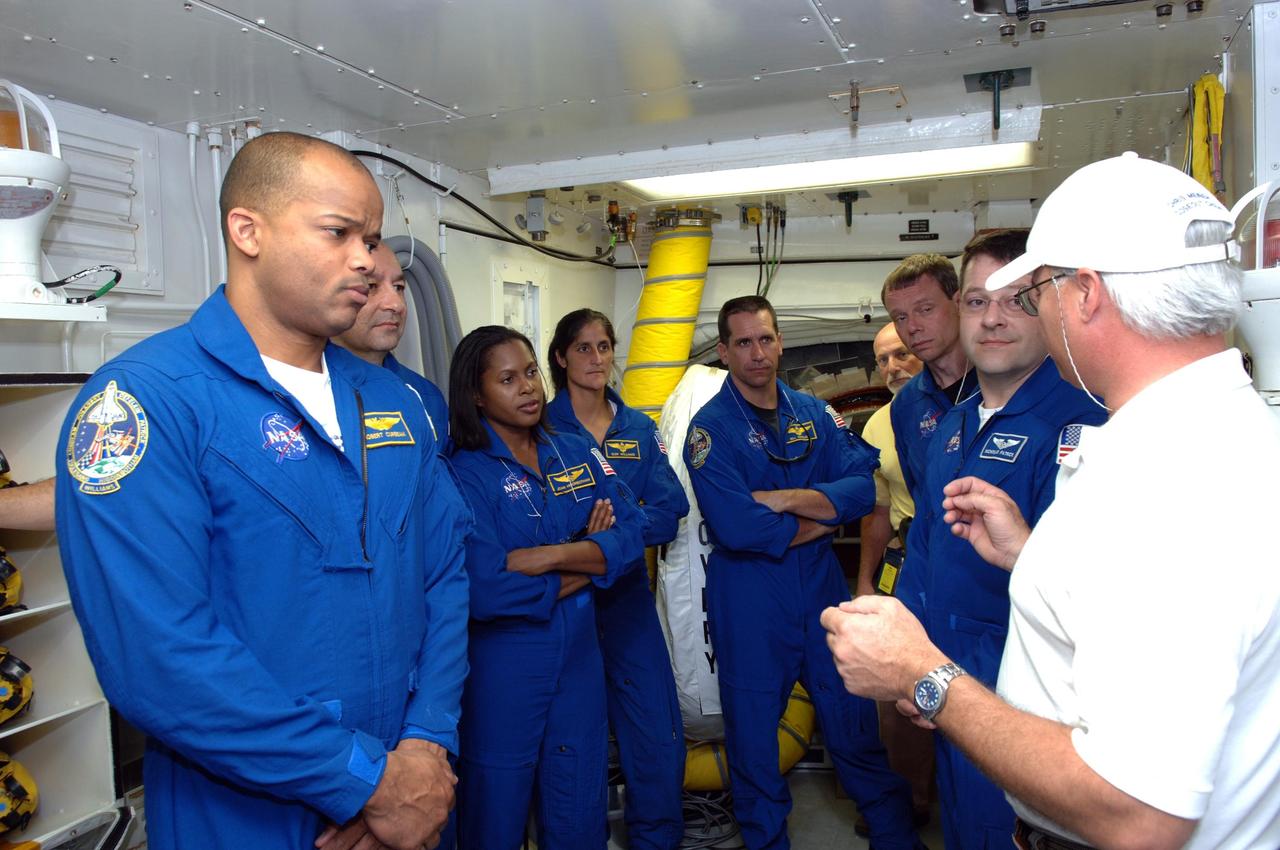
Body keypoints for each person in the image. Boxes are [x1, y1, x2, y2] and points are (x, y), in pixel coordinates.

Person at [822, 153, 1280, 850]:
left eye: (1035, 292)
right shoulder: (1215, 433)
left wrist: (924, 676)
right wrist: (1032, 555)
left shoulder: (1165, 480)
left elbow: (1138, 813)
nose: (1020, 313)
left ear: (1085, 294)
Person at [54, 132, 471, 850]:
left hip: (412, 790)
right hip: (245, 809)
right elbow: (160, 656)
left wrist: (425, 749)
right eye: (339, 233)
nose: (367, 261)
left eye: (371, 240)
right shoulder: (147, 402)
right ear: (247, 231)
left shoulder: (394, 403)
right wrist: (365, 781)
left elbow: (445, 576)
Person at [895, 229, 1107, 850]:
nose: (992, 319)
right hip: (950, 681)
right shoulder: (953, 426)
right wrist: (911, 662)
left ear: (1050, 307)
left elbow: (1096, 592)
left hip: (1028, 701)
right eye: (977, 301)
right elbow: (923, 552)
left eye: (1017, 300)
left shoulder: (1084, 424)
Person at [684, 295, 920, 850]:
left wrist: (787, 499)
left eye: (765, 339)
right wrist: (824, 513)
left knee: (854, 727)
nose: (757, 352)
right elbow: (739, 528)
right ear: (724, 352)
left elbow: (861, 491)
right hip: (750, 601)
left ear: (780, 342)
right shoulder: (710, 430)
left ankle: (896, 838)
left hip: (820, 592)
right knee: (753, 747)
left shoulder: (814, 415)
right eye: (743, 342)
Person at [447, 325, 646, 850]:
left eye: (531, 372)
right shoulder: (462, 472)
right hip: (505, 672)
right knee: (495, 818)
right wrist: (592, 556)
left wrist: (552, 556)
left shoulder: (575, 450)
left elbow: (633, 533)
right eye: (507, 379)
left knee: (580, 811)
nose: (528, 388)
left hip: (579, 663)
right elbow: (488, 588)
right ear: (476, 395)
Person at [545, 308, 689, 850]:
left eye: (604, 346)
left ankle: (657, 840)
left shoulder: (637, 429)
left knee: (655, 734)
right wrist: (595, 537)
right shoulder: (541, 429)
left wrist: (605, 539)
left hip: (628, 602)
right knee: (572, 745)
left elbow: (669, 511)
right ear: (561, 358)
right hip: (566, 605)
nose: (597, 358)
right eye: (583, 348)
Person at [855, 323, 931, 833]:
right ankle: (911, 799)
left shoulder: (962, 408)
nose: (892, 368)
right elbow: (877, 514)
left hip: (963, 563)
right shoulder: (878, 427)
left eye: (901, 354)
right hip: (903, 564)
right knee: (895, 689)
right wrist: (865, 582)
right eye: (882, 359)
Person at [333, 241, 451, 450]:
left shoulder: (425, 395)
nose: (396, 304)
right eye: (371, 286)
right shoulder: (309, 387)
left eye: (399, 287)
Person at [881, 254, 972, 506]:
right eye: (900, 317)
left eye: (925, 309)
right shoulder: (905, 405)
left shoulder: (1002, 383)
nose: (912, 327)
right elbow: (922, 499)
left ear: (958, 303)